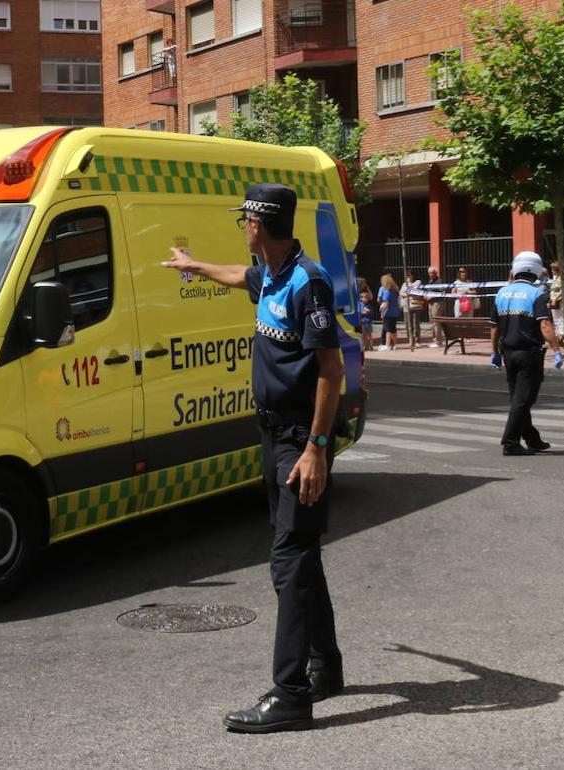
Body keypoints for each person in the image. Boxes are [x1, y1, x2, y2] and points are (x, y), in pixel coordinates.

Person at [161, 183, 346, 734]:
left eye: (245, 219)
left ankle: (291, 694)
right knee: (302, 556)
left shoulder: (307, 282)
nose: (241, 226)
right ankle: (325, 667)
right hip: (276, 436)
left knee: (288, 562)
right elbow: (238, 275)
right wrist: (192, 265)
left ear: (257, 224)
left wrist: (316, 449)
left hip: (300, 442)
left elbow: (332, 373)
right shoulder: (272, 273)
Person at [489, 252, 563, 456]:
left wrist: (494, 351)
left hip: (508, 353)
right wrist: (557, 350)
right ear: (537, 270)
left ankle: (532, 439)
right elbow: (545, 324)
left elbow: (494, 327)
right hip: (529, 354)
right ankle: (510, 442)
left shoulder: (502, 293)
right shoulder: (536, 293)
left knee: (518, 399)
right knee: (524, 400)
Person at [377, 273, 402, 351]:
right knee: (393, 328)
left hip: (388, 312)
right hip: (395, 311)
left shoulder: (387, 291)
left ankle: (387, 345)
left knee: (388, 329)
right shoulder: (395, 290)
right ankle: (394, 344)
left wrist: (382, 312)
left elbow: (386, 303)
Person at [401, 269, 424, 347]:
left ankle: (417, 340)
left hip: (415, 305)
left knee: (415, 323)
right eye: (407, 275)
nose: (408, 277)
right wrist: (407, 293)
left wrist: (407, 292)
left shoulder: (418, 282)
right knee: (408, 324)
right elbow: (401, 293)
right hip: (406, 306)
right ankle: (410, 340)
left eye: (409, 275)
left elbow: (415, 291)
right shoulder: (404, 284)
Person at [547, 261, 564, 344]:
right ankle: (558, 336)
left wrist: (555, 299)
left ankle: (562, 335)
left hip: (559, 301)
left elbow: (562, 290)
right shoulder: (555, 279)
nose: (551, 271)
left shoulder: (561, 279)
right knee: (555, 320)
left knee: (560, 319)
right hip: (553, 300)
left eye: (552, 269)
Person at [426, 266, 445, 348]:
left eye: (432, 273)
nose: (430, 275)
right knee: (432, 322)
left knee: (436, 321)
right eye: (429, 273)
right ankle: (434, 339)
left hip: (437, 302)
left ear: (435, 273)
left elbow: (442, 292)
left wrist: (432, 296)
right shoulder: (430, 281)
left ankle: (439, 341)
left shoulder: (439, 281)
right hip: (430, 303)